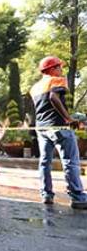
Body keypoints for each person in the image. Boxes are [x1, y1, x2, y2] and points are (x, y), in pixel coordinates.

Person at [30, 56, 87, 209]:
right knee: (70, 161)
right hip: (59, 127)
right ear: (52, 69)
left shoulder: (34, 87)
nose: (61, 70)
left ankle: (46, 194)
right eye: (59, 67)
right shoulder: (56, 80)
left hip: (42, 128)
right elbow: (53, 97)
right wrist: (68, 118)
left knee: (44, 162)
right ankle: (78, 197)